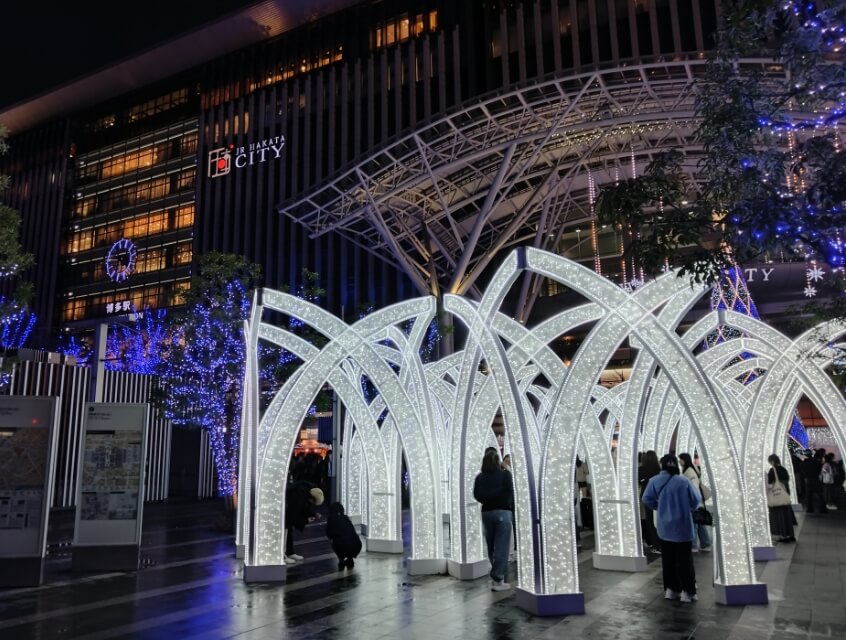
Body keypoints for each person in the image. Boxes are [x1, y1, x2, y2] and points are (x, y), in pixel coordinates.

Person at [642, 454, 701, 603]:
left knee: (668, 560)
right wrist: (689, 508)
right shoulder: (683, 481)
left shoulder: (655, 481)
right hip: (683, 527)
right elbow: (696, 499)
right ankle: (688, 592)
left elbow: (646, 498)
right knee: (685, 560)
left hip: (665, 528)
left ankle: (671, 590)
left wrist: (658, 507)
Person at [474, 448, 514, 592]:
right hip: (503, 511)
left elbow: (476, 495)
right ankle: (498, 579)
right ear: (498, 462)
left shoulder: (480, 477)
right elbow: (510, 489)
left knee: (491, 545)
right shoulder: (505, 475)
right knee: (502, 546)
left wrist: (488, 497)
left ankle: (496, 575)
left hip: (486, 513)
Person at [285, 480, 324, 563]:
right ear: (311, 498)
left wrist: (313, 514)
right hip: (285, 512)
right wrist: (306, 520)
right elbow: (295, 513)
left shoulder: (306, 491)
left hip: (288, 511)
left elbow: (305, 508)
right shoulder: (299, 495)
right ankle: (284, 555)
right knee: (285, 533)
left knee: (289, 533)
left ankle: (289, 552)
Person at [678, 453, 711, 552]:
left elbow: (693, 486)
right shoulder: (692, 469)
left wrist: (692, 500)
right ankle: (705, 544)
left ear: (684, 460)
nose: (679, 461)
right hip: (697, 500)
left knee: (693, 523)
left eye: (680, 459)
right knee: (699, 522)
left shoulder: (689, 471)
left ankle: (693, 545)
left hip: (693, 501)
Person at [767, 454, 797, 542]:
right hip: (784, 496)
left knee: (778, 517)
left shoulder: (773, 470)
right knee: (786, 516)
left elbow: (769, 483)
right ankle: (789, 535)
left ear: (772, 461)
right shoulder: (783, 469)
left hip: (777, 497)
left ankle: (781, 535)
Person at [326, 501, 362, 570]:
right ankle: (350, 559)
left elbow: (329, 534)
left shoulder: (331, 519)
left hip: (342, 546)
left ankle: (341, 560)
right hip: (357, 546)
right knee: (346, 539)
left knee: (334, 541)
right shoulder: (346, 518)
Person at [638, 450, 662, 555]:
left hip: (646, 496)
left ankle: (654, 543)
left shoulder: (641, 469)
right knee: (657, 521)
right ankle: (658, 544)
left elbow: (639, 481)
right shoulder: (659, 469)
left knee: (649, 521)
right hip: (658, 497)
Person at [800, 449, 826, 514]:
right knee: (819, 494)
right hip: (815, 478)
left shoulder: (803, 463)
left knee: (808, 495)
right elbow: (819, 469)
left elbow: (802, 472)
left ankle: (810, 508)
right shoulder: (816, 462)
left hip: (807, 479)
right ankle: (822, 509)